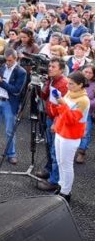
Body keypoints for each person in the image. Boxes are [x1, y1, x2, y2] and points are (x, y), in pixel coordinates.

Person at [42, 70, 91, 202]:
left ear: (81, 85)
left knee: (66, 164)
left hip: (71, 135)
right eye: (68, 83)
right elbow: (63, 113)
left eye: (72, 84)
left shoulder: (84, 100)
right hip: (61, 131)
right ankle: (62, 187)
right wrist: (58, 104)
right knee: (60, 161)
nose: (68, 86)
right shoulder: (71, 93)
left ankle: (66, 193)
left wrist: (61, 103)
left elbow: (71, 119)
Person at [36, 58, 71, 190]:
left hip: (58, 120)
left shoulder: (64, 84)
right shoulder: (51, 80)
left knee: (55, 151)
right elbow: (45, 97)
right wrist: (41, 85)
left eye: (53, 67)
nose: (50, 68)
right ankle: (49, 170)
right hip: (49, 117)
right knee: (49, 146)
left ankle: (54, 180)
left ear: (61, 70)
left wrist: (56, 122)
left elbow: (64, 107)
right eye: (49, 66)